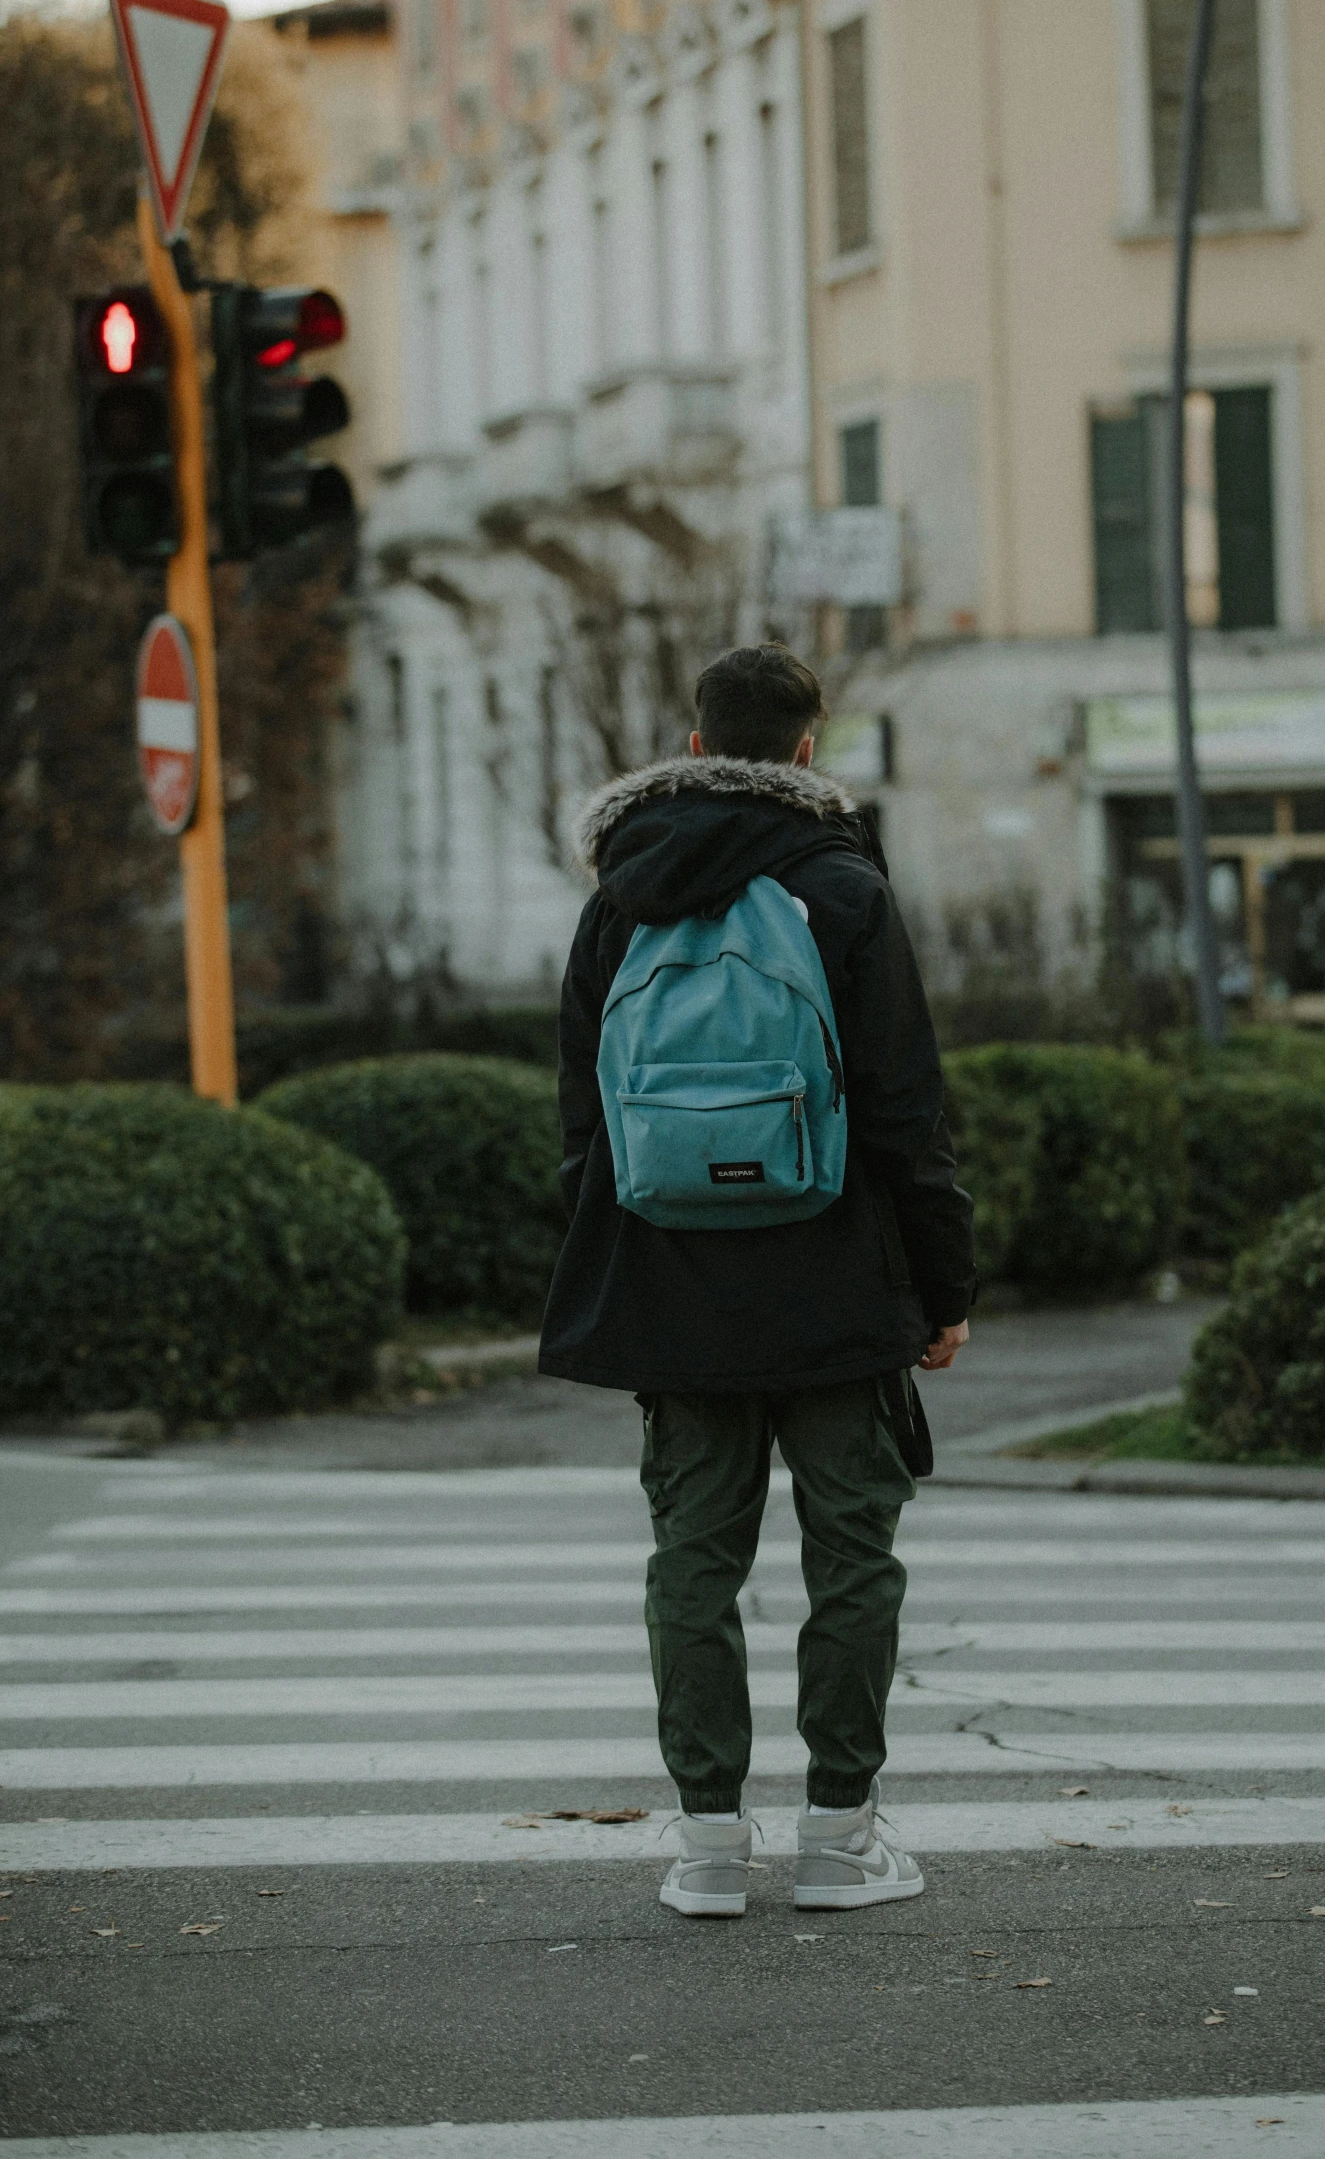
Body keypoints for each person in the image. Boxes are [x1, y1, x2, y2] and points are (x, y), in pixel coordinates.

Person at [539, 643, 974, 1917]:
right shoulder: (841, 885)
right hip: (835, 1278)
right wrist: (941, 1286)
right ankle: (838, 1838)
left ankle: (709, 1846)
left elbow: (582, 1112)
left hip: (672, 1281)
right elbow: (903, 1109)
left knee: (693, 1555)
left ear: (690, 749)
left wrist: (620, 1239)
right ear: (802, 752)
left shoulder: (619, 894)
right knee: (852, 1552)